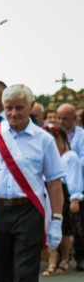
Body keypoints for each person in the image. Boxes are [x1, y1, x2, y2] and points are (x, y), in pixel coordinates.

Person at [0, 85, 64, 282]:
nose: (13, 113)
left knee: (25, 272)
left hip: (29, 212)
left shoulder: (44, 139)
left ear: (31, 107)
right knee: (2, 274)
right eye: (8, 107)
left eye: (19, 107)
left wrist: (56, 219)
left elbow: (55, 183)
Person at [41, 125, 82, 276]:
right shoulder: (45, 156)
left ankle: (64, 258)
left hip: (62, 192)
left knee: (64, 228)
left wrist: (75, 198)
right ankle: (52, 262)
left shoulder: (69, 157)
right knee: (48, 225)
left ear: (59, 139)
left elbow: (74, 178)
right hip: (46, 192)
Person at [56, 103, 84, 269]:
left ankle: (80, 256)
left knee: (79, 224)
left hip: (78, 183)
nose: (61, 121)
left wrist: (69, 160)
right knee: (63, 223)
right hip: (60, 185)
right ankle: (61, 256)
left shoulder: (81, 135)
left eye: (65, 118)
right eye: (59, 117)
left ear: (75, 118)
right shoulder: (53, 133)